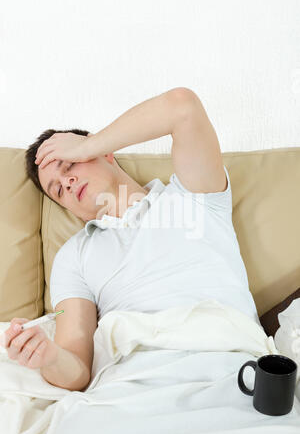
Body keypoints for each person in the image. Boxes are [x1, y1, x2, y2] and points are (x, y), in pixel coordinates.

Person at [2, 87, 259, 391]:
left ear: (106, 152)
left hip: (227, 366)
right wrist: (48, 357)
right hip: (130, 384)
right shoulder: (73, 257)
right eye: (58, 190)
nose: (67, 183)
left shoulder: (194, 195)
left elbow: (183, 106)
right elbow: (77, 369)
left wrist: (87, 145)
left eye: (69, 165)